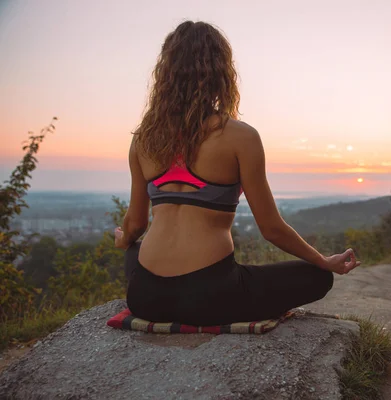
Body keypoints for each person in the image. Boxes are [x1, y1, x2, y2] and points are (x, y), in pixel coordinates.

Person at [114, 21, 360, 326]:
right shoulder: (240, 137)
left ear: (164, 73)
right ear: (222, 73)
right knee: (317, 277)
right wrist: (323, 261)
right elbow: (271, 228)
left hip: (146, 298)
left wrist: (123, 240)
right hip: (211, 295)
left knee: (133, 250)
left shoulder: (143, 139)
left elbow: (135, 224)